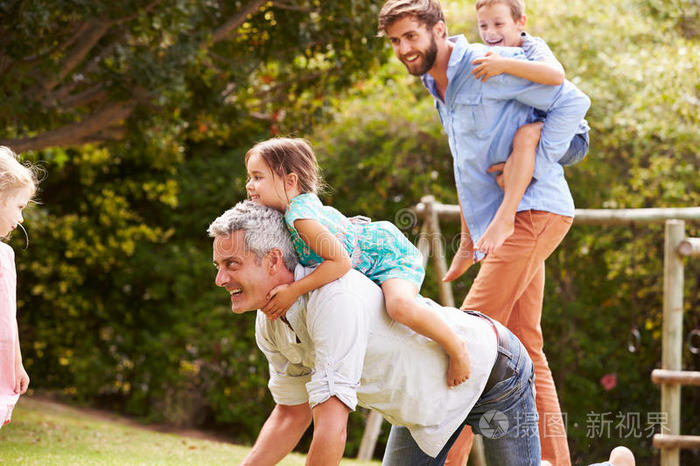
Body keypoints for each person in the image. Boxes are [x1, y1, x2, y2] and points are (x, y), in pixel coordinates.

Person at [378, 1, 591, 464]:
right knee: (525, 349)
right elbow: (465, 164)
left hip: (534, 212)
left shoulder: (485, 64)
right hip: (507, 224)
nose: (403, 49)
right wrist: (471, 238)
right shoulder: (436, 84)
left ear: (439, 29)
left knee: (463, 337)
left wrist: (535, 161)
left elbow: (572, 100)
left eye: (411, 36)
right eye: (395, 41)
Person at [209, 200, 540, 465]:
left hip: (494, 371)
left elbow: (331, 426)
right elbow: (290, 414)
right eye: (218, 266)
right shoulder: (271, 320)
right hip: (426, 408)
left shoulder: (333, 298)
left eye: (232, 265)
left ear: (273, 260)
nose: (220, 280)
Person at [244, 137, 470, 387]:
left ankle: (455, 345)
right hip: (367, 255)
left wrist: (293, 291)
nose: (249, 185)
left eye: (257, 177)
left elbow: (340, 262)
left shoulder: (299, 217)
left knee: (399, 307)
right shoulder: (293, 209)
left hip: (387, 256)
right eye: (249, 178)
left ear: (290, 181)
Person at [470, 0, 591, 253]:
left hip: (573, 135)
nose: (490, 32)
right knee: (521, 136)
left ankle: (508, 213)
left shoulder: (531, 47)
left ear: (520, 22)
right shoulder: (488, 54)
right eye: (483, 25)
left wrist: (504, 65)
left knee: (526, 134)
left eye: (499, 24)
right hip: (539, 129)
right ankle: (517, 175)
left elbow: (556, 75)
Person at [0, 146, 39, 428]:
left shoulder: (5, 256)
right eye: (20, 207)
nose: (21, 218)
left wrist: (17, 363)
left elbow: (8, 317)